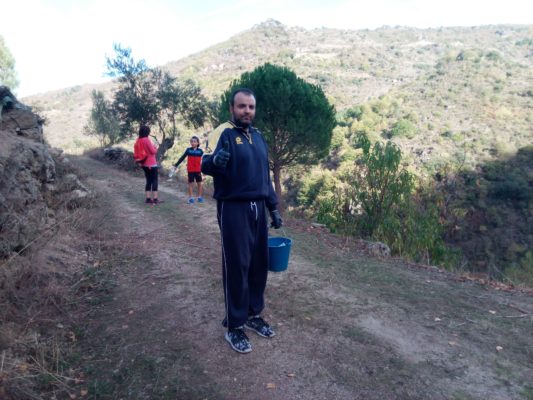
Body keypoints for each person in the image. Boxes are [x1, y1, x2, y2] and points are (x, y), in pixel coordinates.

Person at [201, 88, 283, 354]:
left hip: (258, 207)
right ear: (232, 108)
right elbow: (204, 163)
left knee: (259, 264)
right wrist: (215, 161)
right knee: (237, 265)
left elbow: (265, 176)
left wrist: (273, 207)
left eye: (251, 107)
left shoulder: (258, 137)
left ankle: (252, 314)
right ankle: (234, 326)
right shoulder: (224, 133)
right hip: (233, 208)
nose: (247, 111)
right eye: (242, 106)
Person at [172, 136, 204, 204]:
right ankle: (191, 198)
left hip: (198, 170)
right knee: (190, 184)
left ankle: (199, 197)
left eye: (194, 141)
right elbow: (182, 157)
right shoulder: (188, 150)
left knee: (200, 183)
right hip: (190, 170)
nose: (193, 143)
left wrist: (204, 170)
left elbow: (204, 160)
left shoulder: (200, 151)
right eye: (191, 141)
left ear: (198, 143)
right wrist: (176, 165)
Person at [135, 125, 161, 204]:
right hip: (151, 163)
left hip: (143, 163)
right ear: (147, 132)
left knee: (148, 181)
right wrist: (155, 147)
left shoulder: (138, 140)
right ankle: (155, 199)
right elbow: (153, 151)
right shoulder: (146, 140)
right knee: (154, 180)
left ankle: (148, 199)